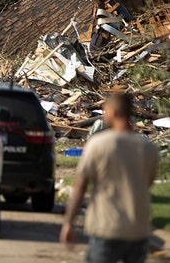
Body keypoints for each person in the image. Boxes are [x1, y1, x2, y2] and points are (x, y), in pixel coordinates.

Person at [60, 93, 159, 262]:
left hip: (106, 228)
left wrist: (69, 223)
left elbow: (81, 185)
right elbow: (148, 183)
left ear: (113, 112)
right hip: (138, 230)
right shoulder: (148, 148)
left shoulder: (98, 144)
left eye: (105, 111)